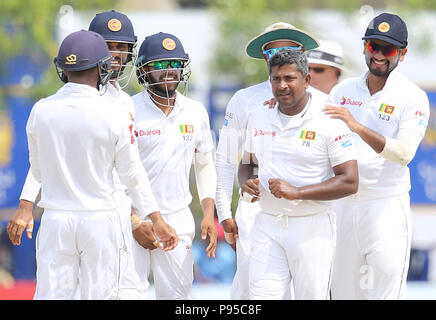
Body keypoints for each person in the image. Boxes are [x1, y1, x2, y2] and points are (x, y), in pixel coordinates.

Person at [6, 30, 177, 300]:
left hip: (56, 221)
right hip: (100, 222)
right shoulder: (114, 112)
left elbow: (37, 170)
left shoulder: (41, 110)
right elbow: (132, 174)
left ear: (63, 68)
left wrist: (27, 205)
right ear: (102, 68)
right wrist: (156, 218)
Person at [215, 22, 326, 300]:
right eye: (271, 53)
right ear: (264, 59)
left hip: (308, 211)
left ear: (301, 54)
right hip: (255, 209)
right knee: (252, 290)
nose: (279, 57)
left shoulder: (323, 102)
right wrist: (224, 212)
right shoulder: (244, 99)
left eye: (288, 49)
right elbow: (227, 157)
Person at [324, 13, 430, 299]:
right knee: (344, 294)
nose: (380, 55)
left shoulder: (412, 96)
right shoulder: (342, 91)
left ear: (402, 54)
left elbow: (404, 153)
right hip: (343, 206)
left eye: (389, 49)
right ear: (364, 47)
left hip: (386, 206)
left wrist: (356, 126)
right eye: (374, 47)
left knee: (385, 294)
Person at [239, 49, 358, 300]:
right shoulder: (260, 115)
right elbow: (248, 163)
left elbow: (350, 180)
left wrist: (298, 192)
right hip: (267, 223)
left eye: (290, 78)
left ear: (306, 80)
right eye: (276, 79)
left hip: (312, 228)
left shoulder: (329, 118)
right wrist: (245, 181)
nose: (282, 85)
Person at [131, 32, 217, 300]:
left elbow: (204, 163)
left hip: (177, 219)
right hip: (132, 220)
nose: (169, 71)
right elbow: (112, 172)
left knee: (178, 299)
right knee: (125, 294)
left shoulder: (195, 110)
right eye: (159, 65)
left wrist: (208, 212)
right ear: (143, 69)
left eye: (176, 63)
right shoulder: (128, 109)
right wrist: (133, 221)